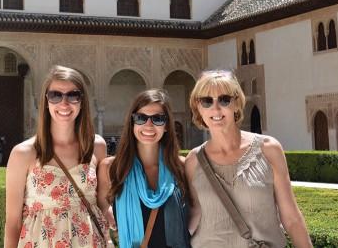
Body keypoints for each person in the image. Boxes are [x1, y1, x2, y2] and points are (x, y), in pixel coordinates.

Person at [185, 70, 312, 248]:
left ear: (237, 103)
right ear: (198, 107)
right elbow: (192, 215)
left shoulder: (268, 150)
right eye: (206, 101)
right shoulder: (193, 161)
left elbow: (291, 219)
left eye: (224, 100)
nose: (215, 108)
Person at [5, 65, 108, 248]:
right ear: (46, 101)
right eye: (56, 95)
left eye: (73, 95)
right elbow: (12, 223)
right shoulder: (24, 153)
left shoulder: (96, 146)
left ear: (82, 101)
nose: (64, 104)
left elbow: (102, 206)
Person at [97, 89, 190, 248]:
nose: (149, 125)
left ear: (167, 125)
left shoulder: (181, 167)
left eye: (158, 119)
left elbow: (197, 214)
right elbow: (97, 214)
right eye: (141, 118)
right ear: (132, 123)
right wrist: (113, 230)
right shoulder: (112, 169)